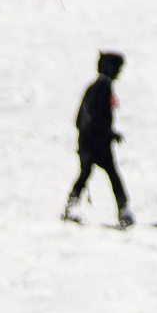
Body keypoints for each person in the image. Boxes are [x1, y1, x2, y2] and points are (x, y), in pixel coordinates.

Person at [64, 50, 131, 228]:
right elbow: (94, 117)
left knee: (86, 173)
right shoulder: (101, 89)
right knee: (112, 175)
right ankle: (124, 212)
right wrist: (109, 134)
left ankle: (70, 209)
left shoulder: (94, 87)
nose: (119, 73)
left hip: (88, 141)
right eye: (118, 69)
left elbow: (79, 119)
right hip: (97, 142)